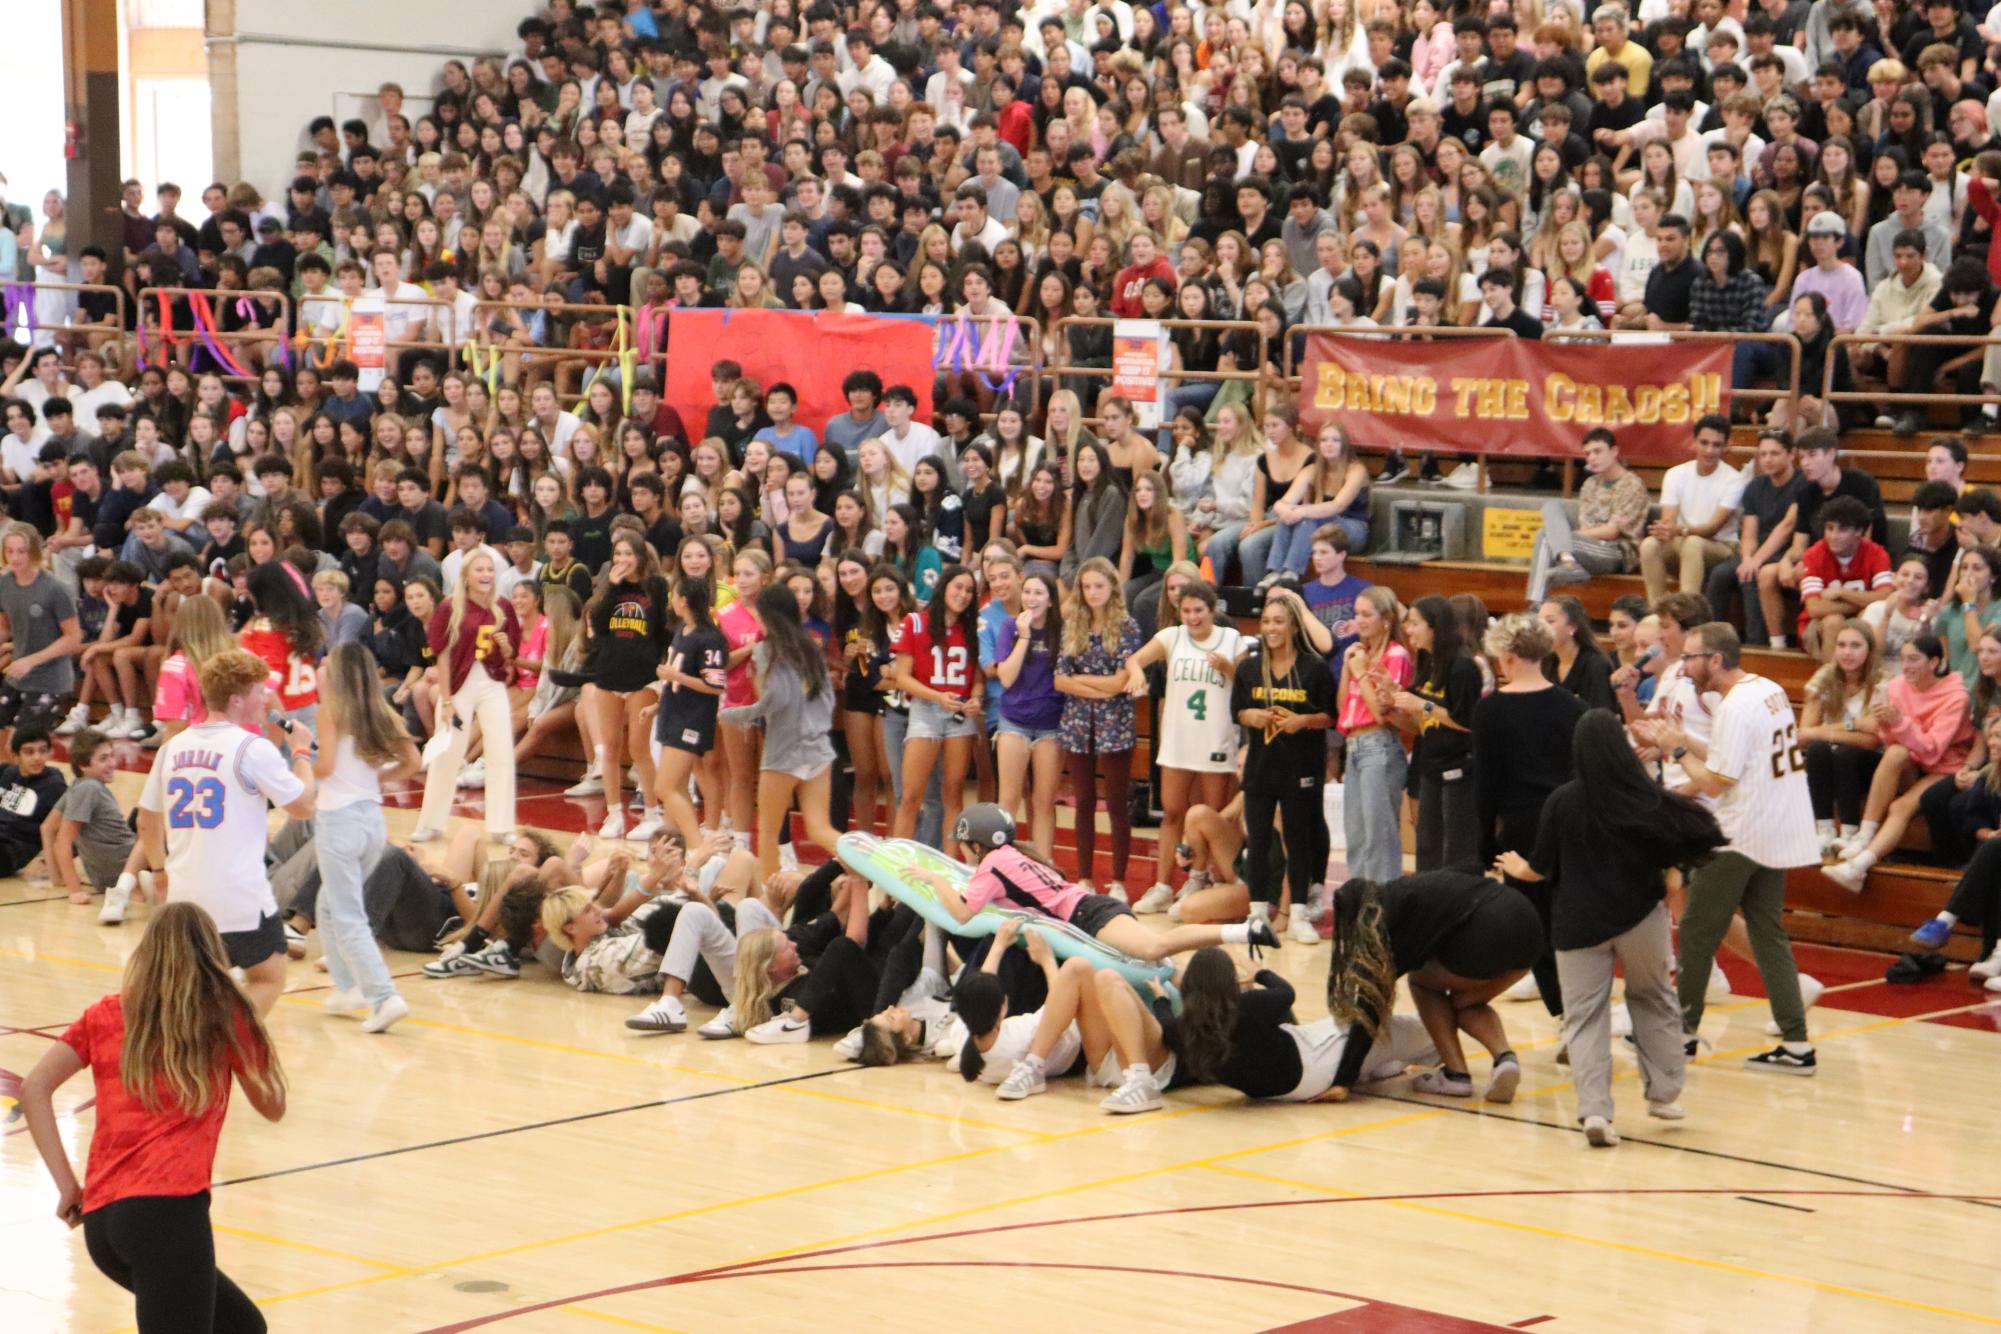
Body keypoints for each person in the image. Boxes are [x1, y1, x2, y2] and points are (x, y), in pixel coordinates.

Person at [18, 903, 286, 1334]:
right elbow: (272, 1107)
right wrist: (255, 1042)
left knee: (241, 1326)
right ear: (211, 954)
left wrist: (67, 1184)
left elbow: (34, 1089)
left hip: (104, 1225)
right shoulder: (221, 1016)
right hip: (168, 1214)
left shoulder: (106, 1013)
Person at [1497, 711, 1725, 1145]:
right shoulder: (1645, 795)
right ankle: (1663, 1095)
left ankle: (1595, 1113)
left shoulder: (1562, 801)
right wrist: (1673, 879)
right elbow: (1679, 855)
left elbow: (1539, 869)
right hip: (1640, 920)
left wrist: (1513, 865)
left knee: (1584, 1019)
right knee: (1655, 1000)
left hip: (1577, 926)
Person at [1651, 622, 1822, 1073]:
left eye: (1689, 658)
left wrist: (1674, 751)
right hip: (1775, 829)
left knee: (1695, 930)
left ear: (1714, 660)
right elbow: (1734, 756)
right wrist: (1683, 738)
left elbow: (1714, 782)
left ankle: (1681, 1035)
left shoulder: (1734, 708)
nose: (1683, 668)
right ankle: (1797, 1046)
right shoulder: (1766, 690)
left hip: (1740, 832)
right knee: (1768, 933)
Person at [137, 648, 319, 1016]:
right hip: (239, 897)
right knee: (268, 977)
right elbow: (303, 807)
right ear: (237, 700)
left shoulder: (172, 747)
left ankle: (196, 1048)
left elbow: (146, 821)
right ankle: (224, 1045)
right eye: (258, 690)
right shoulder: (252, 748)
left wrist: (158, 869)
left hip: (185, 896)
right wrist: (300, 754)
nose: (265, 697)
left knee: (198, 985)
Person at [1322, 871, 1543, 1101]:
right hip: (1528, 927)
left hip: (1486, 930)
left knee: (1421, 982)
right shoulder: (1407, 889)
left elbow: (1369, 1007)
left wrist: (1342, 1081)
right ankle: (1505, 1059)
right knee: (1465, 1004)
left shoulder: (1384, 926)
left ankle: (1457, 1075)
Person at [1473, 614, 1588, 1020]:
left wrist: (1484, 845)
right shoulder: (1573, 706)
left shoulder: (1490, 711)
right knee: (1571, 923)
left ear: (1505, 654)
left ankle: (1563, 1015)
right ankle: (1581, 1011)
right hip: (1570, 825)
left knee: (1534, 927)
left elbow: (1484, 786)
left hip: (1522, 829)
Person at [313, 642, 422, 1033]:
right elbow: (414, 762)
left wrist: (297, 754)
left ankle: (383, 996)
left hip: (338, 822)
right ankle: (347, 987)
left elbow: (324, 766)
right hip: (371, 821)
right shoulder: (383, 712)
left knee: (347, 914)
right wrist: (379, 777)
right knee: (328, 904)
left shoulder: (329, 712)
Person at [1124, 580, 1245, 913]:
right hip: (1178, 739)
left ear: (1212, 610)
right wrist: (1135, 673)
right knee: (1172, 813)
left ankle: (1199, 877)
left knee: (1210, 816)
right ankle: (1163, 886)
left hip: (1215, 741)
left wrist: (1228, 668)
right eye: (1186, 611)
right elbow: (1133, 660)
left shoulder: (1231, 639)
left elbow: (1248, 683)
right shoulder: (1171, 637)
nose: (1192, 617)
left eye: (1199, 611)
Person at [1822, 632, 1972, 889]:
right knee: (1895, 752)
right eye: (1903, 659)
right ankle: (1863, 835)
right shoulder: (1896, 686)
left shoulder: (1957, 697)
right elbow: (1890, 739)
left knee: (1900, 807)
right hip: (1910, 761)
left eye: (1914, 659)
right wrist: (1885, 723)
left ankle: (1859, 865)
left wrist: (1899, 722)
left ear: (1934, 662)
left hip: (1945, 767)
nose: (1906, 666)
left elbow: (1933, 750)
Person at [718, 585, 844, 880]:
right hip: (818, 750)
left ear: (766, 615)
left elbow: (776, 700)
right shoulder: (811, 646)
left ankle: (769, 906)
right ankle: (867, 871)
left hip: (783, 751)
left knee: (768, 833)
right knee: (821, 828)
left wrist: (733, 714)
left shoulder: (765, 650)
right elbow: (828, 698)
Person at [1232, 594, 1336, 940]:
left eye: (1278, 621)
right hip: (1261, 769)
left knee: (1298, 839)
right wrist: (1252, 715)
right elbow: (1239, 711)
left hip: (1301, 768)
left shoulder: (1314, 667)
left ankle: (1300, 916)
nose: (1271, 628)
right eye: (1266, 622)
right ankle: (1257, 913)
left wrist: (1303, 720)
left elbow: (1330, 717)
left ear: (1292, 625)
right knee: (1258, 841)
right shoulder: (1249, 667)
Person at [410, 549, 522, 844]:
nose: (486, 575)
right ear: (466, 576)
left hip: (491, 682)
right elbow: (442, 657)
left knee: (501, 751)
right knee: (447, 754)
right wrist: (446, 701)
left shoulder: (504, 607)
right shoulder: (450, 607)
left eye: (490, 570)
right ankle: (431, 823)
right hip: (458, 685)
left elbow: (512, 654)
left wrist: (505, 646)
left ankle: (501, 826)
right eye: (480, 570)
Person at [1055, 557, 1141, 896]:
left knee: (1117, 804)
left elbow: (1122, 681)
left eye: (1099, 586)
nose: (1092, 593)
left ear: (1112, 588)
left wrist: (1084, 682)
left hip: (1116, 724)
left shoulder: (1128, 626)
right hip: (1077, 724)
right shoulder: (1071, 624)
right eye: (1087, 586)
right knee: (1084, 802)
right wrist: (1100, 685)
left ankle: (1118, 881)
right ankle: (1086, 878)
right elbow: (1060, 681)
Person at [1379, 594, 1482, 871]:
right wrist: (1393, 707)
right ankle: (1428, 905)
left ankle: (1459, 907)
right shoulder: (1426, 662)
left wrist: (1421, 704)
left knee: (1457, 849)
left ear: (1434, 627)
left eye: (1414, 623)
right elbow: (1422, 726)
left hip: (1459, 770)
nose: (1408, 629)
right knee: (1427, 846)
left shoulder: (1463, 666)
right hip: (1430, 766)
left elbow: (1468, 721)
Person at [1338, 587, 1413, 885]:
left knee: (1379, 836)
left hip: (1379, 745)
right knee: (1356, 835)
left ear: (1386, 619)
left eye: (1367, 614)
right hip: (1353, 744)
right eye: (1356, 614)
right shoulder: (1361, 654)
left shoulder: (1396, 654)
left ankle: (1384, 908)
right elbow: (1341, 706)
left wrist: (1360, 673)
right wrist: (1347, 670)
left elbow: (1383, 712)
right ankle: (1360, 905)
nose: (1359, 620)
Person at [1525, 427, 1648, 604]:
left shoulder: (1632, 485)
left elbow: (1612, 531)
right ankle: (1568, 563)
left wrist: (1565, 537)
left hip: (1617, 551)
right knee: (1551, 507)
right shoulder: (1590, 484)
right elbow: (1585, 525)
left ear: (1614, 451)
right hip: (1589, 545)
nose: (1592, 458)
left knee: (1546, 536)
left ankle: (1535, 605)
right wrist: (1566, 538)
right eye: (1588, 454)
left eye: (1597, 451)